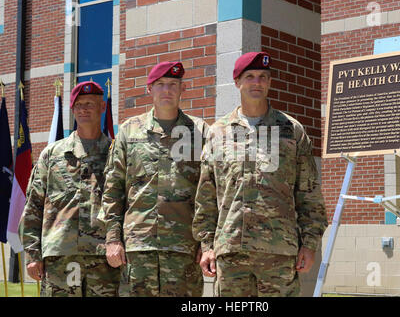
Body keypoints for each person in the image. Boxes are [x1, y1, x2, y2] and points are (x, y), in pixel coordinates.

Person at [192, 52, 328, 297]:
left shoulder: (291, 131)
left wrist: (309, 244)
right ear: (237, 82)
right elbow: (206, 196)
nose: (257, 82)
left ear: (270, 82)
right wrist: (207, 245)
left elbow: (309, 194)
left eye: (263, 77)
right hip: (232, 254)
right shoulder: (217, 133)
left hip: (279, 254)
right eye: (250, 77)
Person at [102, 61, 208, 297]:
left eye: (173, 84)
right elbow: (113, 190)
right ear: (149, 89)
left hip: (185, 249)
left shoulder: (200, 132)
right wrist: (112, 239)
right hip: (138, 250)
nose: (167, 90)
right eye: (160, 84)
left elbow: (211, 192)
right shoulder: (129, 132)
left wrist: (207, 243)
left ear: (183, 89)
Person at [22, 81, 120, 297]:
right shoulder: (52, 155)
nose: (84, 109)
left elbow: (125, 205)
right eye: (79, 104)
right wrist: (32, 254)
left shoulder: (116, 154)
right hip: (60, 258)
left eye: (90, 104)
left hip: (104, 260)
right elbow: (33, 206)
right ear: (72, 109)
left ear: (103, 107)